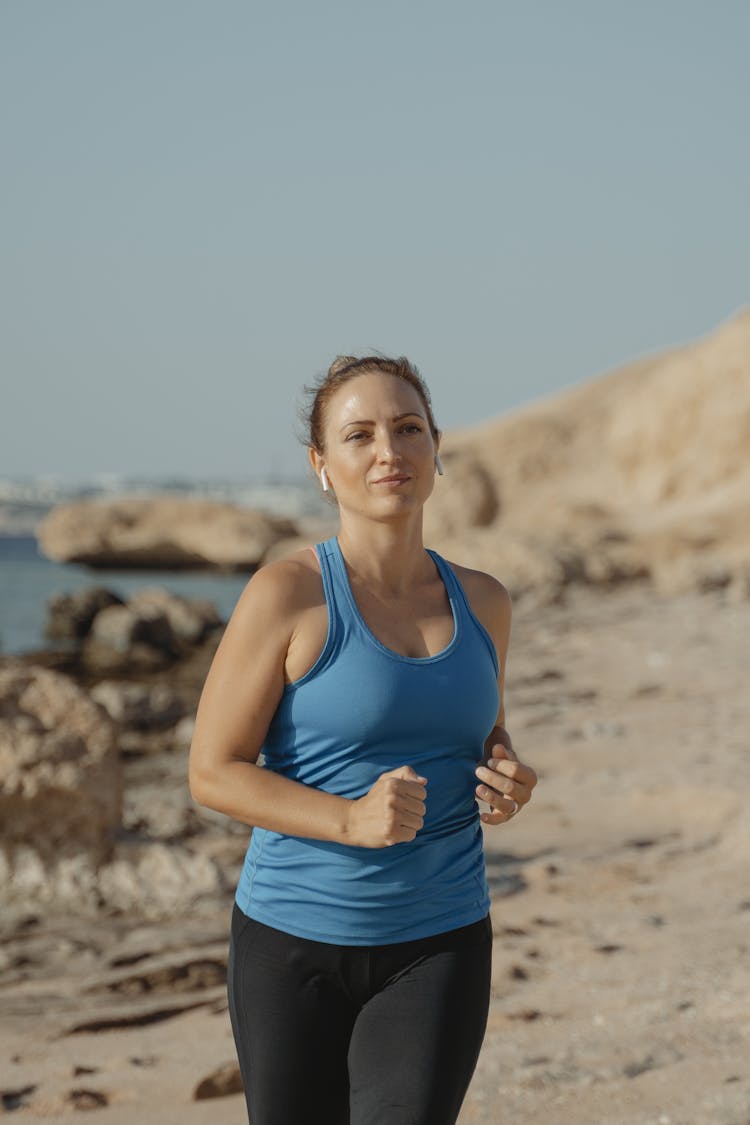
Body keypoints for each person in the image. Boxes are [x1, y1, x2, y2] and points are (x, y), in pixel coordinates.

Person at [188, 354, 538, 1125]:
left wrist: (506, 776)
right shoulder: (287, 593)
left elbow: (482, 732)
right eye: (360, 434)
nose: (389, 450)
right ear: (323, 466)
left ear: (435, 449)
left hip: (440, 938)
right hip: (291, 943)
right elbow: (213, 771)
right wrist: (349, 819)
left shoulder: (485, 601)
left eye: (409, 428)